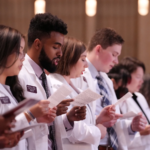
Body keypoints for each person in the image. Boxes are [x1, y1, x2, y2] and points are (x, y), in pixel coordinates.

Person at [18, 13, 86, 150]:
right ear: (37, 44)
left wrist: (68, 119)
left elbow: (49, 128)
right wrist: (36, 116)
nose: (61, 53)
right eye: (56, 47)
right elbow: (10, 126)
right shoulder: (19, 75)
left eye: (61, 47)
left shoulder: (45, 78)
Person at [72, 28, 147, 150]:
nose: (116, 61)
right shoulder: (78, 76)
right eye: (114, 55)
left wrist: (131, 127)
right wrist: (97, 120)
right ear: (99, 49)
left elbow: (114, 121)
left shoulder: (106, 80)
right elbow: (73, 121)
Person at [118, 56, 150, 150]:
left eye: (142, 77)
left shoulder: (139, 96)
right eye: (138, 77)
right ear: (125, 77)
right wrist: (141, 133)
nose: (141, 81)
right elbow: (121, 138)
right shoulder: (119, 100)